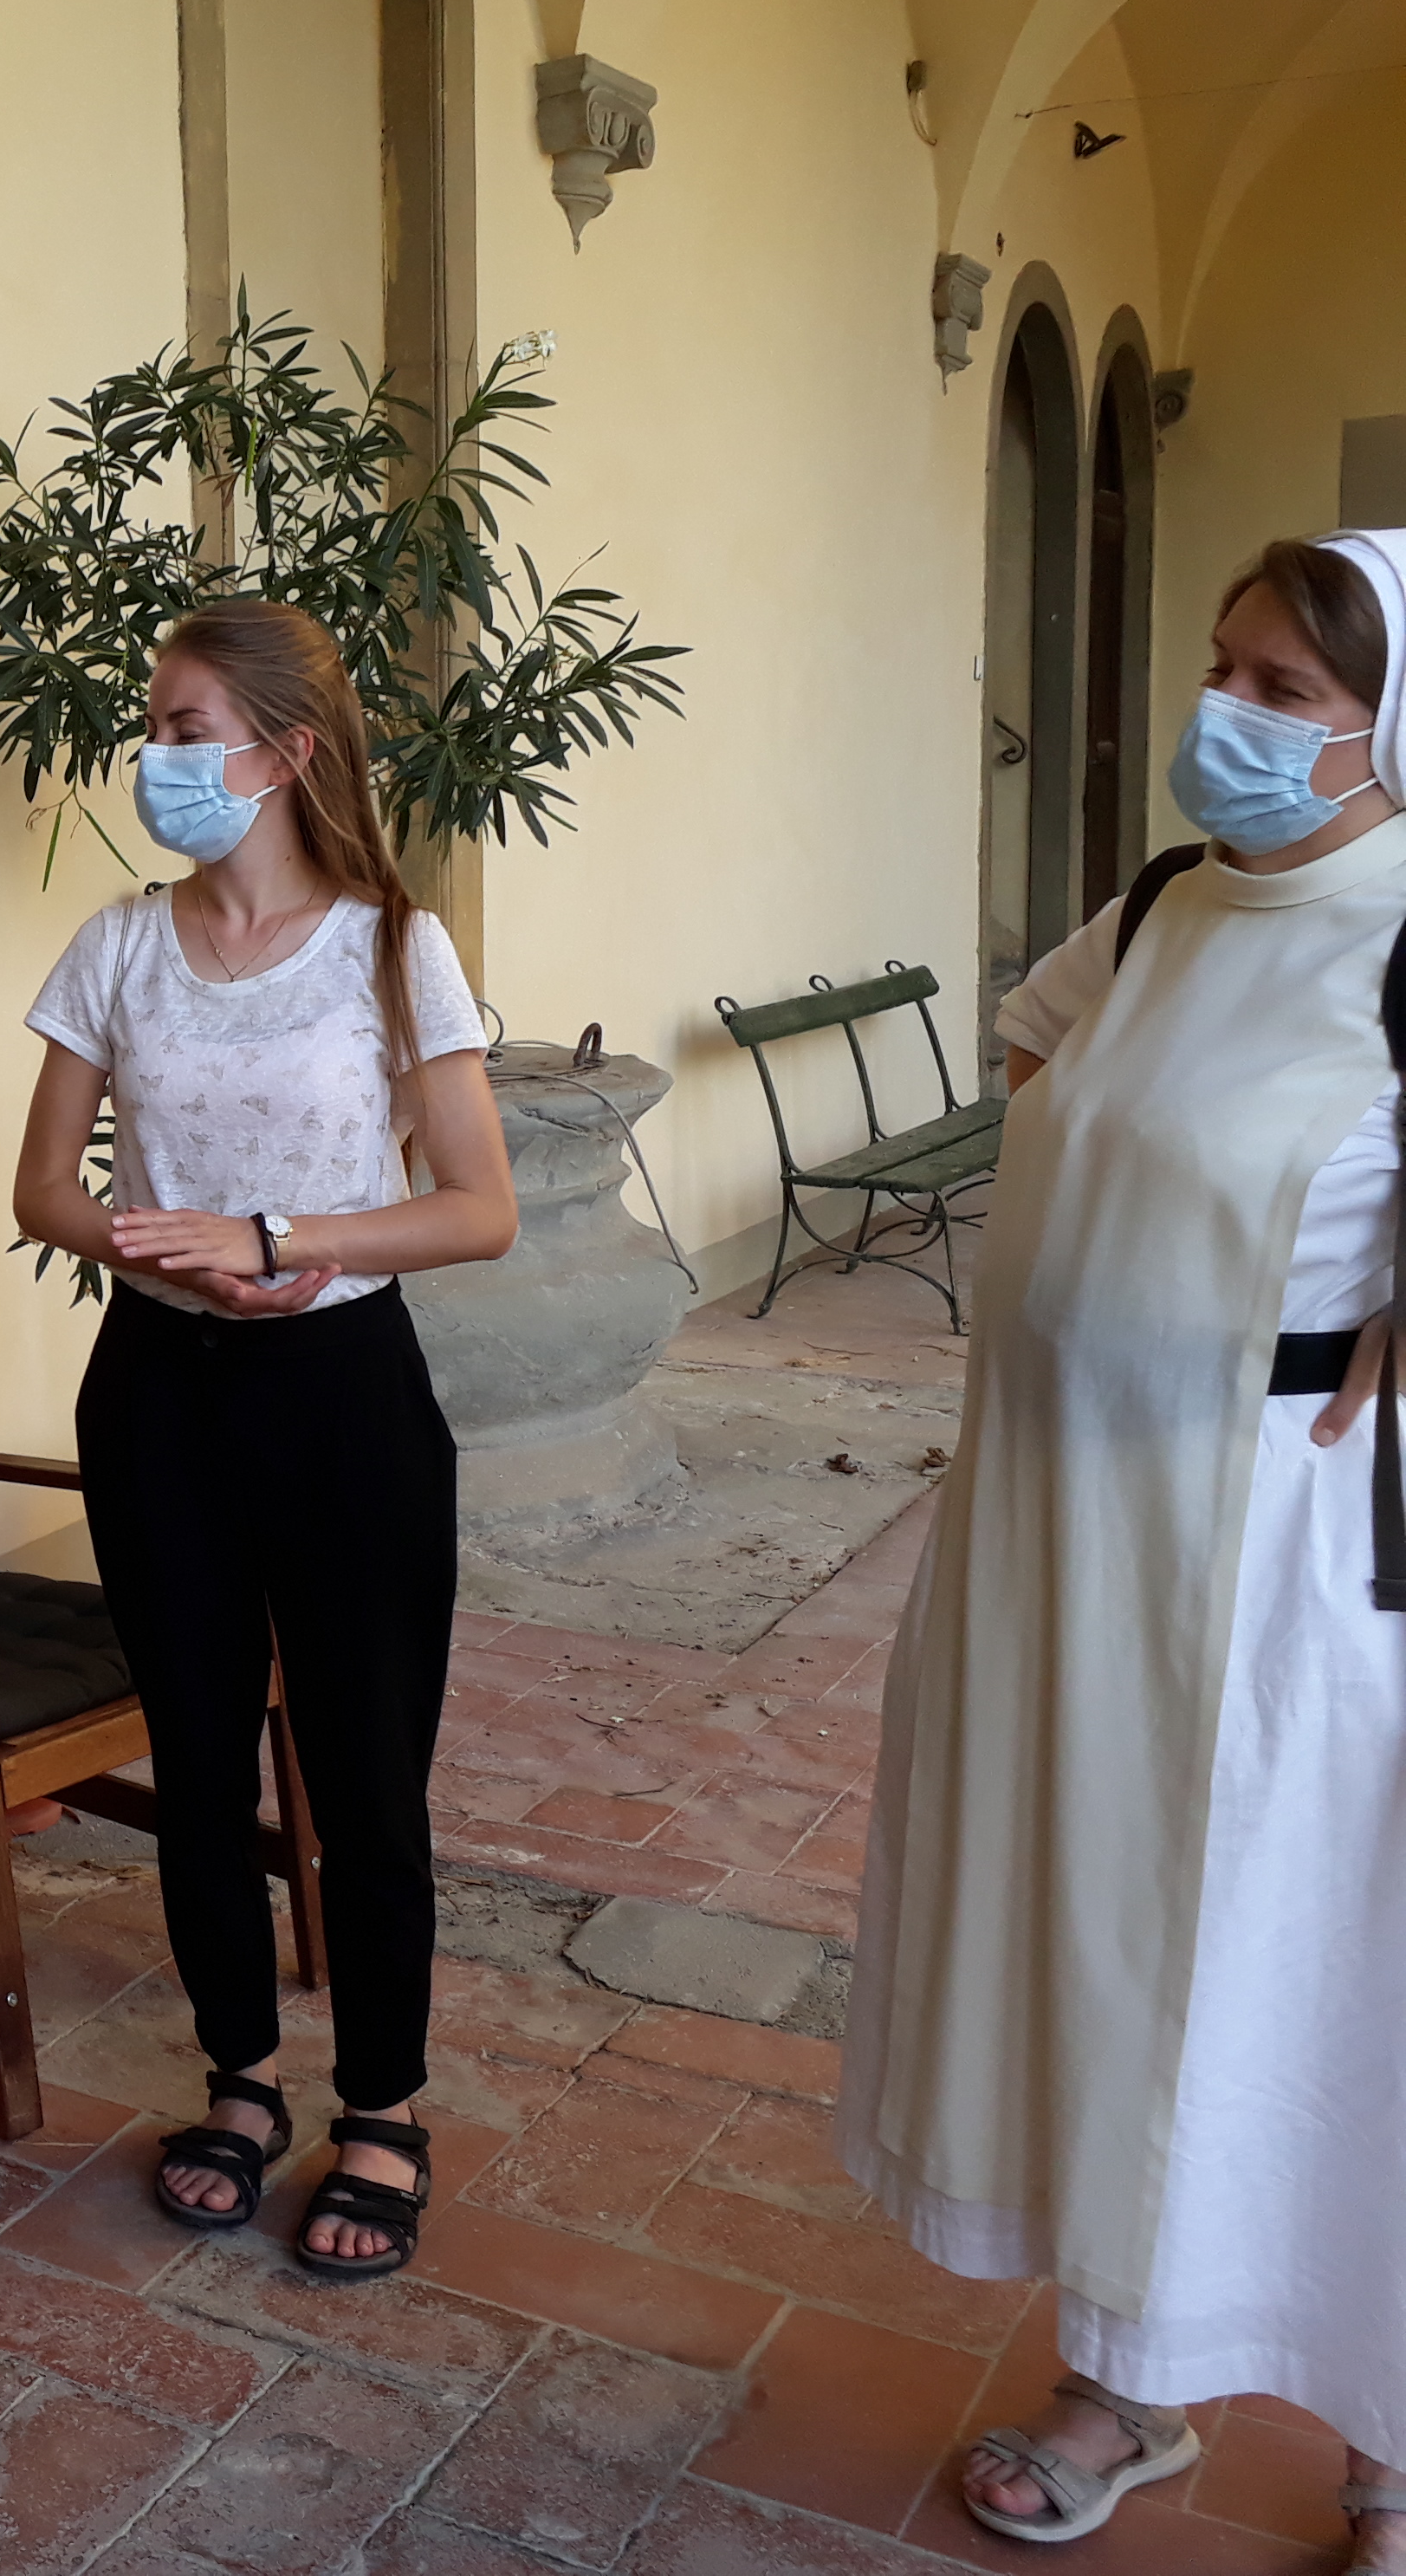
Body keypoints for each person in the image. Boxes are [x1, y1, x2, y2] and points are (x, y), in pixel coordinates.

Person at [846, 530, 1406, 2563]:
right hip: (1061, 1519)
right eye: (1226, 664)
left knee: (1305, 1967)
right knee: (1099, 1944)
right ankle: (1128, 2379)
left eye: (1283, 691)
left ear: (1388, 729)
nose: (1224, 710)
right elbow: (1042, 1051)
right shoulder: (1170, 900)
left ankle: (1393, 2447)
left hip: (1281, 1554)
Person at [11, 596, 515, 2280]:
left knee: (367, 1774)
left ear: (286, 754)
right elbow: (41, 1186)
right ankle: (238, 2079)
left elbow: (479, 1207)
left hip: (347, 1399)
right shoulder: (116, 947)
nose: (154, 756)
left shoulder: (394, 948)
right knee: (200, 1761)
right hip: (161, 1396)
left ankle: (383, 2109)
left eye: (184, 730)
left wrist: (283, 1238)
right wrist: (161, 1249)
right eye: (153, 727)